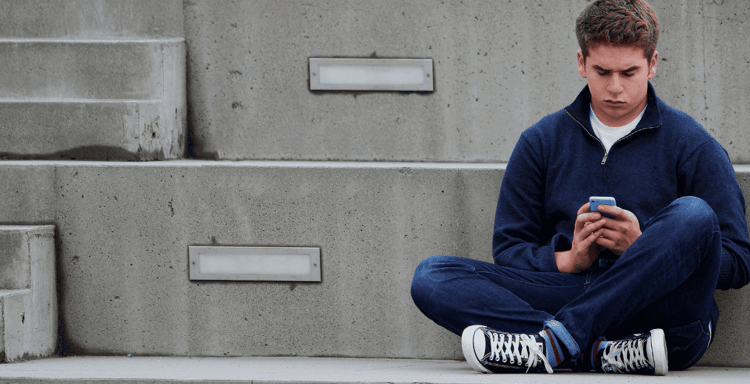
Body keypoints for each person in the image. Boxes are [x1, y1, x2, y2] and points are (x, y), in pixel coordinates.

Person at [410, 0, 750, 376]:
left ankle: (555, 342)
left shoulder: (692, 144)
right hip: (575, 296)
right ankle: (591, 352)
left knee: (694, 214)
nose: (615, 87)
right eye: (602, 71)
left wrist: (646, 249)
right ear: (581, 62)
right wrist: (569, 259)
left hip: (660, 315)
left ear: (652, 65)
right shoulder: (541, 141)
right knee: (432, 276)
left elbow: (738, 261)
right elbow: (509, 249)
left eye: (629, 72)